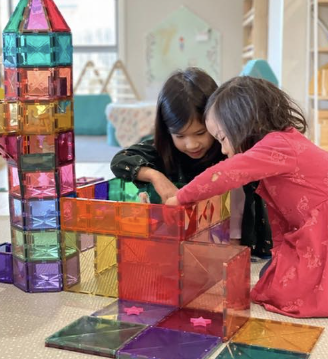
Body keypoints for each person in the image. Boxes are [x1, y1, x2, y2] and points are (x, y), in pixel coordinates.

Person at [166, 76, 328, 318]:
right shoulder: (278, 146)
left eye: (222, 138)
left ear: (241, 123)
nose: (222, 149)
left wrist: (181, 198)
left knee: (288, 294)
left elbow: (225, 174)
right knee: (270, 279)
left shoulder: (278, 145)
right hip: (312, 230)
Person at [111, 67, 272, 258]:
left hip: (227, 241)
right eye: (180, 135)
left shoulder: (229, 149)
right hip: (179, 242)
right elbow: (119, 161)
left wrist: (233, 242)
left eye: (200, 133)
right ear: (167, 131)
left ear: (217, 122)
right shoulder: (163, 149)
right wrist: (155, 176)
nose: (192, 144)